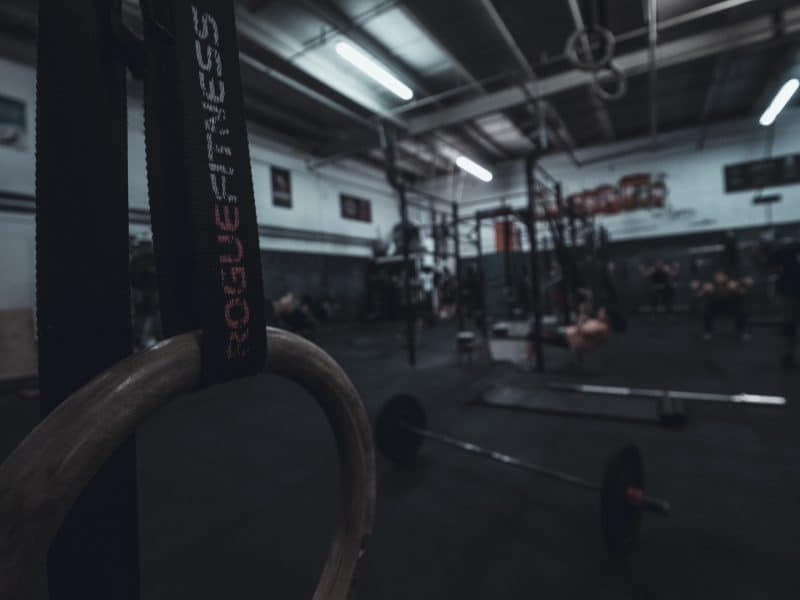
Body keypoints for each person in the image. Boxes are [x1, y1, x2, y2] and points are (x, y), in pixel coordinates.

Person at [762, 237, 800, 368]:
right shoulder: (787, 250)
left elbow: (768, 264)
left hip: (788, 292)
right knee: (789, 326)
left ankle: (787, 356)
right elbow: (768, 264)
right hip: (789, 293)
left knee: (789, 325)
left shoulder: (786, 250)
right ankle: (787, 356)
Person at [690, 271, 752, 341]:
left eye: (722, 276)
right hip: (715, 306)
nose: (720, 278)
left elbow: (743, 293)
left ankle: (741, 332)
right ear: (715, 277)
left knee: (741, 311)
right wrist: (701, 290)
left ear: (726, 277)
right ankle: (707, 332)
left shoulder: (731, 284)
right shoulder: (711, 285)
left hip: (730, 306)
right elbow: (698, 294)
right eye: (718, 276)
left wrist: (736, 288)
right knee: (706, 310)